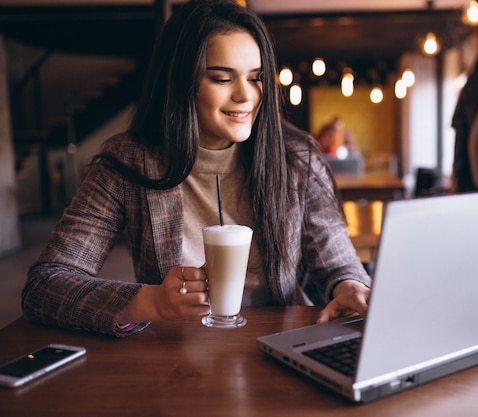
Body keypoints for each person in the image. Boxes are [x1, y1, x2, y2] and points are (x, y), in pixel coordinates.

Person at [22, 0, 371, 338]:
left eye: (256, 77)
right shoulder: (128, 163)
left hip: (283, 344)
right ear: (181, 82)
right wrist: (150, 302)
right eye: (222, 78)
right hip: (181, 356)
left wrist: (349, 285)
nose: (245, 96)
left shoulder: (296, 157)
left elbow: (337, 262)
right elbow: (45, 286)